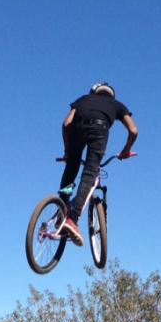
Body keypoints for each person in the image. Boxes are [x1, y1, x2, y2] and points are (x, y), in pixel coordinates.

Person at [57, 82, 137, 246]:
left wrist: (68, 153)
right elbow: (133, 130)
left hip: (78, 128)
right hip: (99, 130)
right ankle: (72, 219)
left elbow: (66, 124)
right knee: (90, 172)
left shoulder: (83, 99)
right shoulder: (117, 105)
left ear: (93, 91)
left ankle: (61, 207)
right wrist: (125, 151)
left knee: (71, 168)